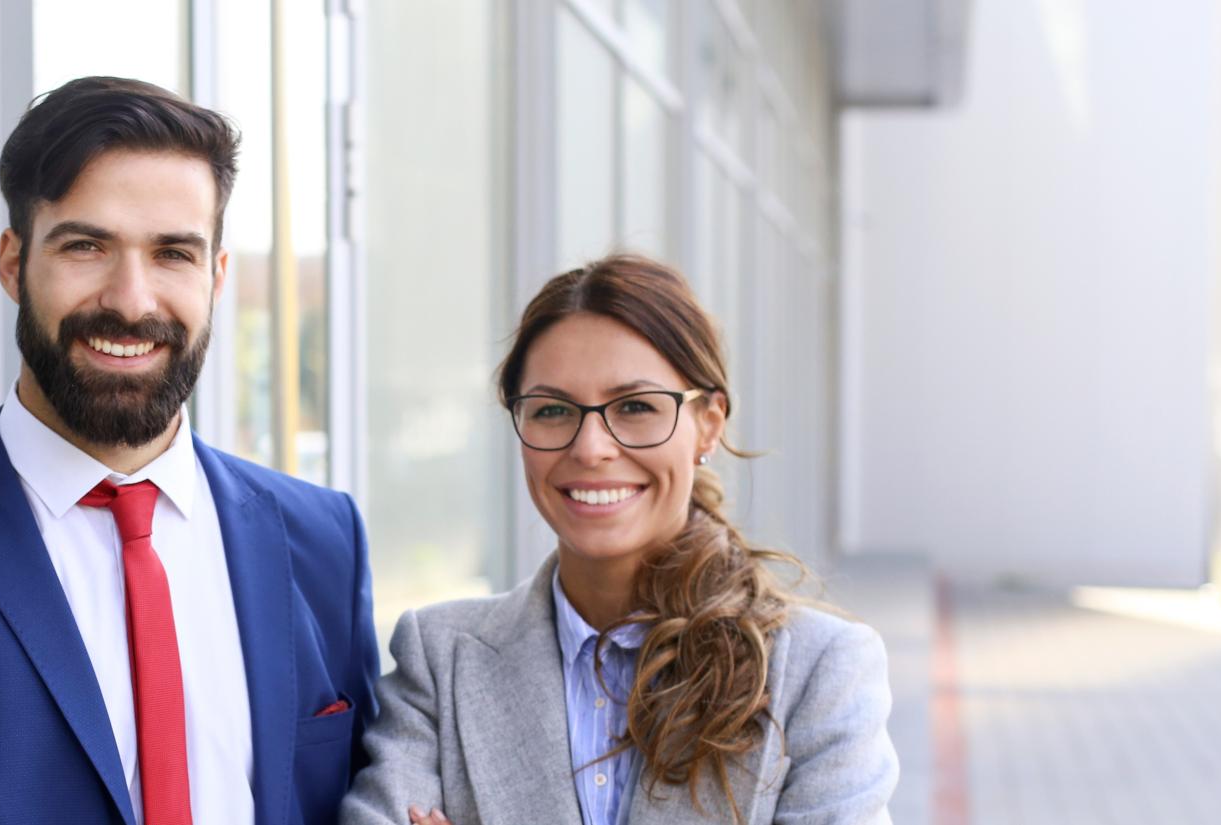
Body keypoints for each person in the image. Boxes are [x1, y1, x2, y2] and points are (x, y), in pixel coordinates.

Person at [0, 76, 379, 825]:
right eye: (86, 246)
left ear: (215, 275)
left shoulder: (322, 541)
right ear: (14, 263)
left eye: (173, 252)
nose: (131, 299)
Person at [340, 255, 898, 825]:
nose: (590, 448)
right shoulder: (440, 658)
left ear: (708, 422)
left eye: (635, 407)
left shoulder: (818, 670)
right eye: (553, 410)